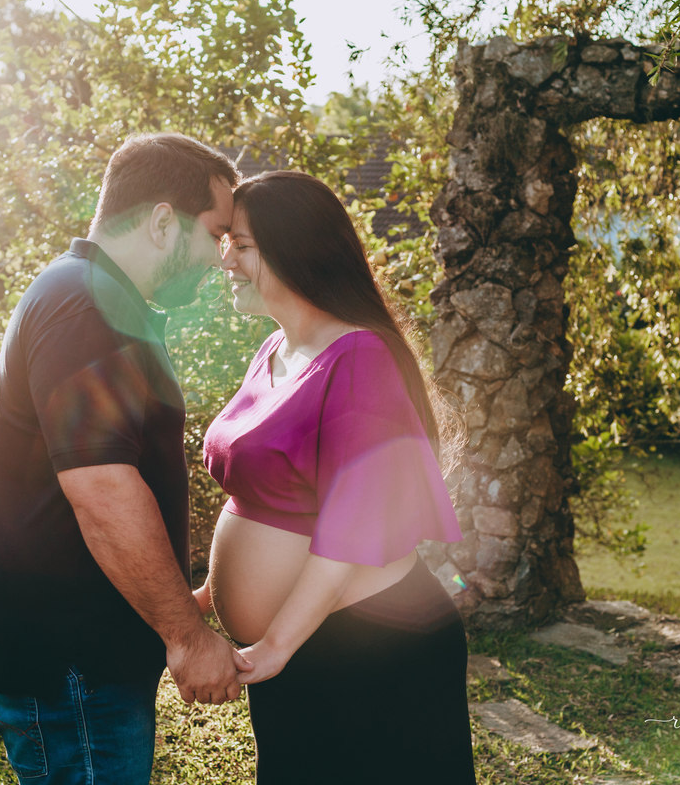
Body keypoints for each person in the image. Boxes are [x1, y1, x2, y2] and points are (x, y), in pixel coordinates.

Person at [0, 133, 251, 785]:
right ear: (160, 222)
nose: (222, 254)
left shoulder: (96, 296)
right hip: (71, 665)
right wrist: (186, 637)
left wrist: (184, 600)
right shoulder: (85, 302)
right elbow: (103, 489)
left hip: (82, 659)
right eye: (216, 232)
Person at [197, 170, 477, 784]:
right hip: (304, 644)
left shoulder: (360, 356)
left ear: (296, 249)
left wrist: (275, 645)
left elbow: (354, 524)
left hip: (369, 646)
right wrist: (209, 595)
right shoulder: (275, 349)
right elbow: (267, 493)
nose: (226, 259)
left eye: (241, 245)